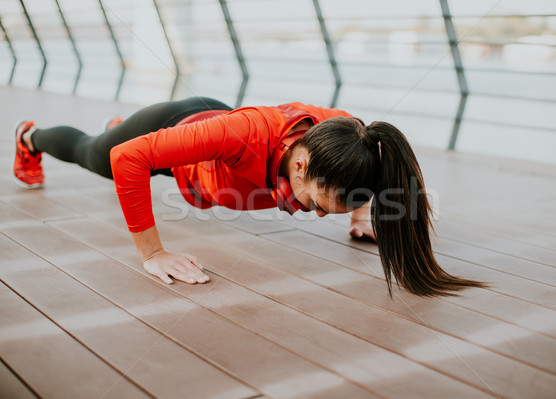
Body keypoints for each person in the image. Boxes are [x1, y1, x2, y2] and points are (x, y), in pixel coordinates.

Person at [13, 96, 485, 297]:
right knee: (96, 154)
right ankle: (30, 137)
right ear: (301, 164)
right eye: (319, 204)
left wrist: (360, 214)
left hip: (210, 144)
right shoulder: (242, 136)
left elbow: (370, 161)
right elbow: (127, 161)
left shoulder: (345, 136)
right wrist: (153, 253)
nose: (315, 214)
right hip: (183, 131)